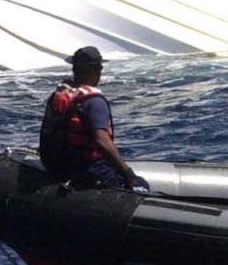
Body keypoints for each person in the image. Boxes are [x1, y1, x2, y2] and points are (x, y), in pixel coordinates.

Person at [39, 46, 148, 192]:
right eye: (100, 68)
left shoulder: (59, 95)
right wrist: (128, 174)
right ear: (94, 70)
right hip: (87, 169)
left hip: (59, 165)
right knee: (142, 185)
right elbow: (101, 141)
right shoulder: (93, 101)